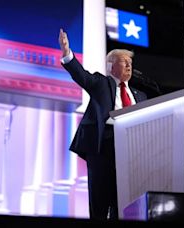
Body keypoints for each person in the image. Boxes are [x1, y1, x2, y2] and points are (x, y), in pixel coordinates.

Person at [58, 28, 147, 220]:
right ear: (111, 66)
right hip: (104, 147)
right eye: (124, 62)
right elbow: (81, 75)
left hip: (131, 153)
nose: (129, 66)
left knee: (123, 203)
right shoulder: (101, 83)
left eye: (130, 63)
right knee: (99, 203)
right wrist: (67, 53)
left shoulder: (141, 96)